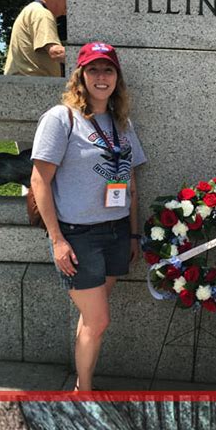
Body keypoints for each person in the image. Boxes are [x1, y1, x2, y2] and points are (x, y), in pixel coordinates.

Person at [30, 42, 146, 392]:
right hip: (78, 235)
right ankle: (85, 393)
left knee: (91, 319)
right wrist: (57, 240)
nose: (101, 77)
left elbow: (131, 181)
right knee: (99, 320)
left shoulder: (122, 123)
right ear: (79, 76)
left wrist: (133, 234)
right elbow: (40, 180)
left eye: (108, 70)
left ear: (117, 78)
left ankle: (82, 387)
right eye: (93, 69)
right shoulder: (60, 118)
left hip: (114, 231)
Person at [4, 0, 66, 77]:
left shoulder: (30, 10)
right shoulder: (42, 13)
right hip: (32, 85)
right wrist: (94, 55)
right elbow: (56, 52)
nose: (71, 0)